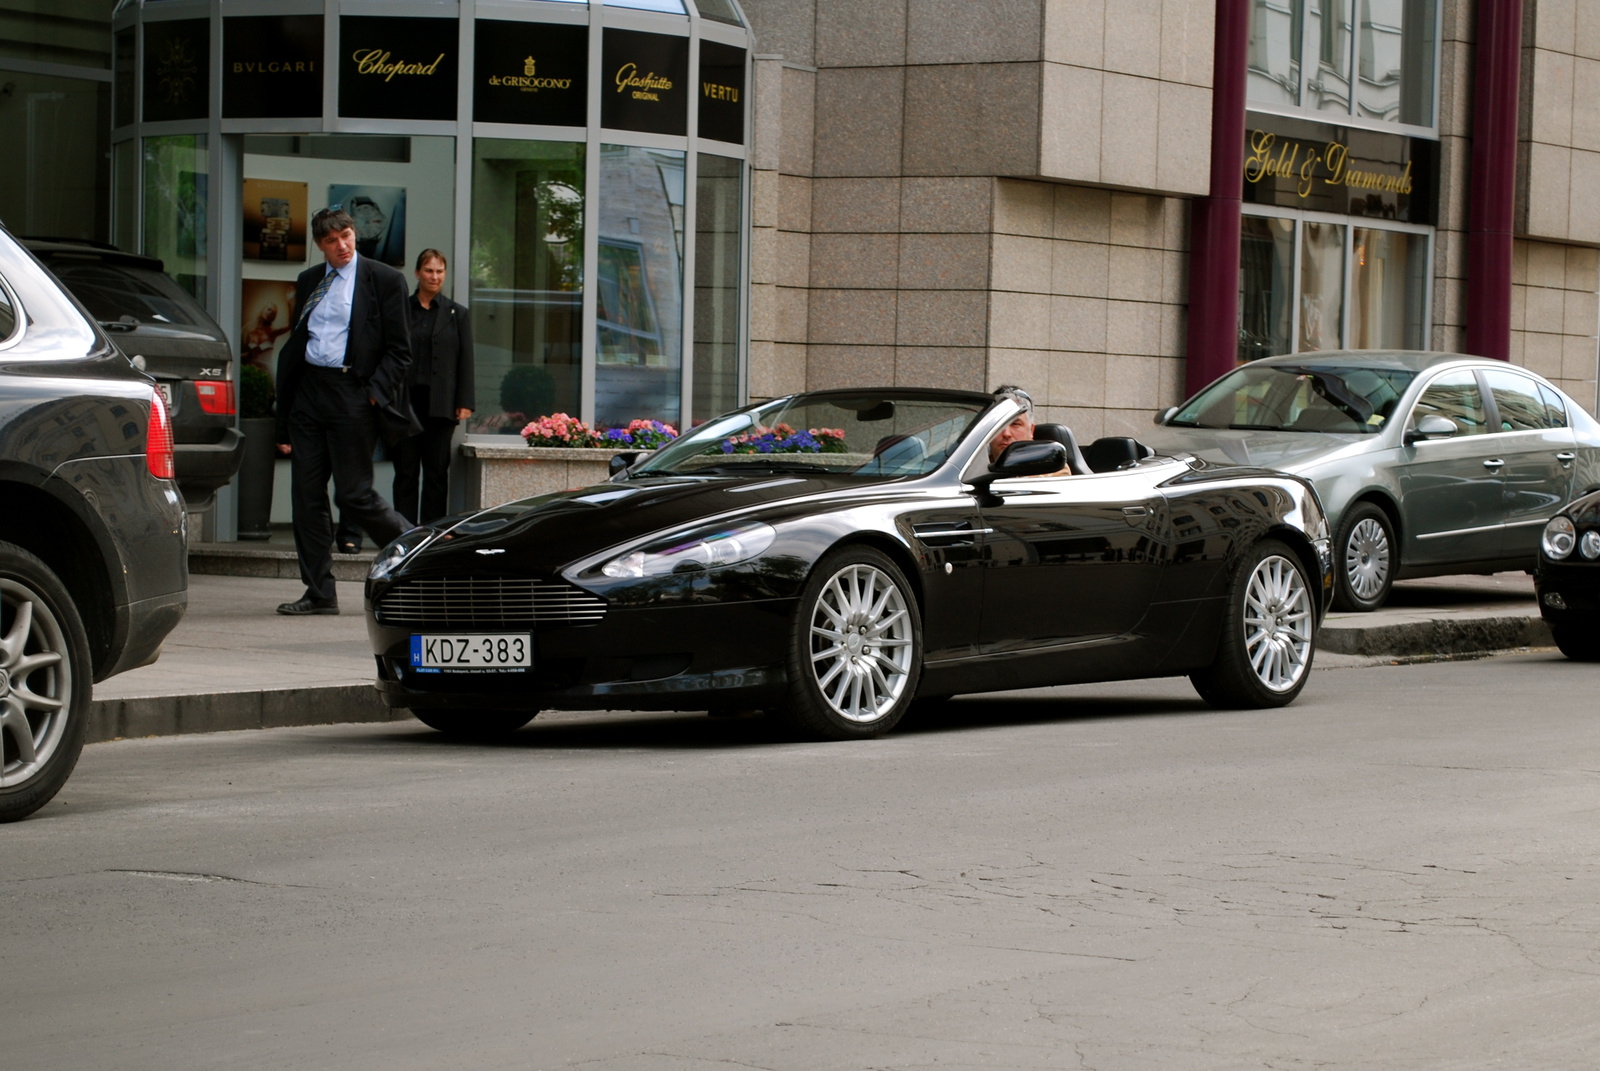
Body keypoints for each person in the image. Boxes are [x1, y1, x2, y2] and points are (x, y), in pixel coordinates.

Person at [273, 206, 415, 615]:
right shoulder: (310, 281)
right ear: (320, 245)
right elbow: (299, 345)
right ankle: (319, 592)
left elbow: (400, 351)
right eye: (332, 241)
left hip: (353, 393)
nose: (342, 246)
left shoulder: (385, 279)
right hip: (309, 394)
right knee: (305, 495)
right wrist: (285, 417)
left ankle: (417, 547)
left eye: (347, 236)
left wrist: (373, 393)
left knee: (354, 495)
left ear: (355, 235)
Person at [391, 248, 474, 526]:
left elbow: (466, 360)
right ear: (417, 273)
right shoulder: (401, 309)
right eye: (429, 270)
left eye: (439, 271)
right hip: (405, 405)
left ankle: (430, 535)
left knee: (437, 473)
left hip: (441, 405)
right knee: (405, 472)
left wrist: (465, 400)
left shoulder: (457, 314)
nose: (434, 276)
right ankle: (402, 533)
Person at [988, 384, 1036, 463]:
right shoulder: (969, 470)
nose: (1006, 434)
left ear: (1031, 430)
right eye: (999, 424)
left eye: (1015, 424)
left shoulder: (1052, 472)